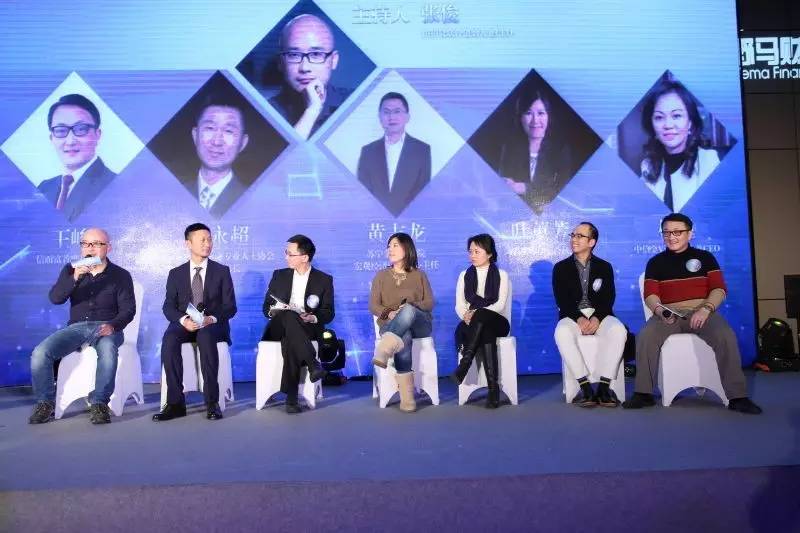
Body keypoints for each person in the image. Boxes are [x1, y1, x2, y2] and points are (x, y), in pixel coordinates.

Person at [623, 213, 762, 414]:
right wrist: (661, 311)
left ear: (690, 234)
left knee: (725, 336)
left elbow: (719, 289)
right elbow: (650, 295)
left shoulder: (706, 258)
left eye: (677, 232)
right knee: (645, 336)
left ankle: (738, 396)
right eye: (666, 232)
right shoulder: (655, 262)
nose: (671, 237)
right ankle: (643, 393)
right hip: (669, 313)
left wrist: (706, 309)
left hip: (702, 312)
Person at [28, 228, 135, 425]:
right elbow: (55, 298)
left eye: (97, 244)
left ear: (108, 248)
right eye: (85, 244)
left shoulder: (120, 275)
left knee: (108, 350)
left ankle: (99, 403)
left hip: (107, 327)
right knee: (40, 352)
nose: (90, 248)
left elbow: (128, 310)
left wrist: (113, 325)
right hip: (76, 327)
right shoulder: (71, 269)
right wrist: (74, 277)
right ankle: (45, 403)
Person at [154, 223, 237, 421]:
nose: (208, 244)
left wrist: (211, 319)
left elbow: (230, 307)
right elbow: (168, 306)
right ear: (188, 244)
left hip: (212, 325)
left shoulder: (221, 271)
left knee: (206, 336)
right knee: (170, 339)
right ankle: (175, 403)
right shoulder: (176, 273)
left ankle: (212, 402)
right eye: (202, 240)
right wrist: (183, 320)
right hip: (186, 324)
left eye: (210, 239)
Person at [552, 222, 626, 408]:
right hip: (572, 316)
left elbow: (608, 297)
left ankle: (604, 387)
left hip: (600, 315)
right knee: (561, 332)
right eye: (573, 235)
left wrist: (597, 317)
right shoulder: (560, 268)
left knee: (619, 330)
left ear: (592, 242)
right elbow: (562, 300)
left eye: (579, 236)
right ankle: (585, 387)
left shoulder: (604, 267)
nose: (574, 239)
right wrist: (578, 318)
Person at [262, 235, 334, 414]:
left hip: (306, 327)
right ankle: (312, 363)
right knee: (288, 316)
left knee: (291, 340)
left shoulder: (324, 279)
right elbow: (266, 308)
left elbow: (328, 313)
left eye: (290, 254)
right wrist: (276, 310)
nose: (286, 257)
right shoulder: (279, 275)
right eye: (286, 253)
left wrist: (312, 317)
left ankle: (291, 398)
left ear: (305, 257)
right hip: (277, 326)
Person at [369, 232, 434, 412]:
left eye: (395, 245)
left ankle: (384, 349)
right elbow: (373, 305)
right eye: (389, 246)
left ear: (407, 248)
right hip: (391, 324)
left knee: (408, 310)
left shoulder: (419, 275)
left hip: (420, 323)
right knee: (403, 335)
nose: (390, 249)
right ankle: (407, 397)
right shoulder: (381, 276)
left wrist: (409, 307)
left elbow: (429, 303)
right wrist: (390, 313)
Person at [639, 79, 720, 212]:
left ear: (690, 123)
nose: (668, 125)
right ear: (652, 125)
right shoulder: (647, 165)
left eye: (676, 116)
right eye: (659, 117)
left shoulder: (708, 160)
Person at [450, 234, 510, 408]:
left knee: (483, 316)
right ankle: (493, 390)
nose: (472, 255)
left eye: (477, 251)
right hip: (475, 323)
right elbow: (459, 305)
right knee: (485, 331)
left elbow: (499, 305)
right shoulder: (464, 275)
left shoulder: (501, 274)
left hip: (499, 322)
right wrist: (465, 315)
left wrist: (475, 313)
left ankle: (464, 364)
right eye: (470, 252)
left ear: (489, 253)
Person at [269, 14, 351, 140]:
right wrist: (312, 111)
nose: (304, 67)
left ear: (333, 60)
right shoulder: (267, 111)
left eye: (316, 54)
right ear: (280, 62)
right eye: (294, 55)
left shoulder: (353, 102)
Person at [38, 94, 117, 221]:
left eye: (81, 129)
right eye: (60, 130)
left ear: (98, 135)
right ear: (52, 138)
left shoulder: (113, 184)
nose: (70, 141)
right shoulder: (44, 187)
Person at [357, 92, 432, 217]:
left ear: (407, 117)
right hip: (374, 219)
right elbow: (363, 191)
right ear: (380, 117)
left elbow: (422, 190)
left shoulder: (422, 150)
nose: (391, 117)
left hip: (411, 219)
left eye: (397, 111)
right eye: (386, 112)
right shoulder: (367, 151)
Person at [499, 89, 571, 211]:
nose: (535, 121)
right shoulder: (509, 149)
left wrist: (524, 188)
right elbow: (503, 189)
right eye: (528, 113)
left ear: (548, 116)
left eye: (541, 113)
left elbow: (561, 192)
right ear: (520, 117)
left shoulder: (560, 150)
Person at [182, 97, 250, 217]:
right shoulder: (173, 193)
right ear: (195, 135)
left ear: (243, 143)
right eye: (210, 128)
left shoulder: (251, 199)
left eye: (228, 131)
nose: (217, 141)